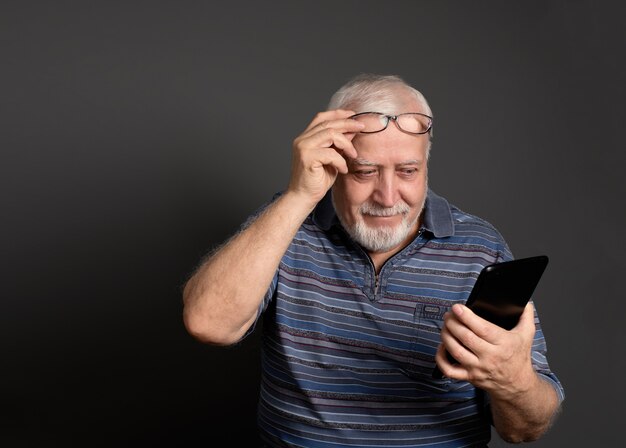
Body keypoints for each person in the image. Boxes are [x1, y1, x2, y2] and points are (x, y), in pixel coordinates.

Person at [182, 74, 564, 447]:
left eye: (408, 171)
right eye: (365, 171)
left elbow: (524, 430)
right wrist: (300, 196)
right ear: (333, 163)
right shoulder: (286, 224)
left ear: (426, 165)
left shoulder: (480, 247)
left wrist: (514, 381)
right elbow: (209, 324)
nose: (387, 195)